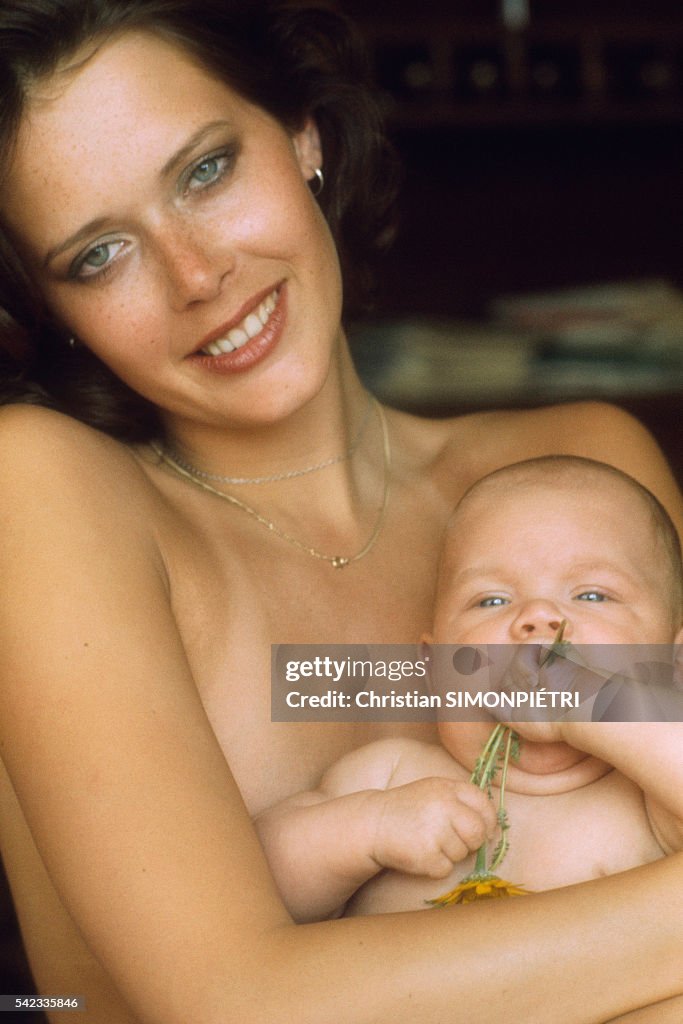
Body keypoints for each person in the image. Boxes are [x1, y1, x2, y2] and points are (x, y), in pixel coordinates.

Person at [0, 2, 682, 1022]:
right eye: (99, 254)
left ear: (303, 132)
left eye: (204, 170)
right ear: (51, 310)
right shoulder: (40, 490)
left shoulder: (575, 468)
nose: (198, 276)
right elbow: (232, 1001)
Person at [255, 456, 683, 923]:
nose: (538, 618)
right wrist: (370, 829)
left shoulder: (652, 805)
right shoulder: (394, 775)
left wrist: (590, 704)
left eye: (592, 595)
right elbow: (252, 892)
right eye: (492, 600)